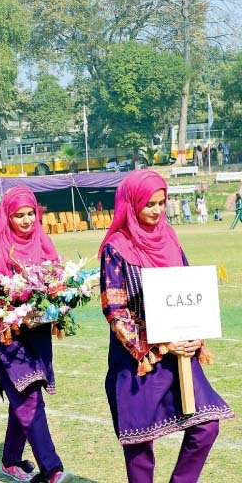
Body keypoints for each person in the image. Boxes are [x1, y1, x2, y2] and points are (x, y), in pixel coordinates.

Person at [99, 170, 233, 483]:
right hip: (138, 360)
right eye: (149, 204)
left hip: (180, 356)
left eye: (162, 202)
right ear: (131, 205)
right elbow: (114, 309)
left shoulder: (169, 238)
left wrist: (195, 337)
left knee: (206, 425)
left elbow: (188, 291)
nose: (158, 210)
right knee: (139, 442)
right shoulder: (116, 248)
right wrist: (155, 345)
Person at [0, 186, 72, 483]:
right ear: (7, 216)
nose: (27, 219)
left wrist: (54, 309)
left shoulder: (43, 242)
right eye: (19, 215)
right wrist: (16, 315)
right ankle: (52, 469)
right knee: (29, 398)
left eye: (31, 213)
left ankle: (10, 459)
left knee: (25, 397)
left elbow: (57, 286)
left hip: (39, 334)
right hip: (8, 336)